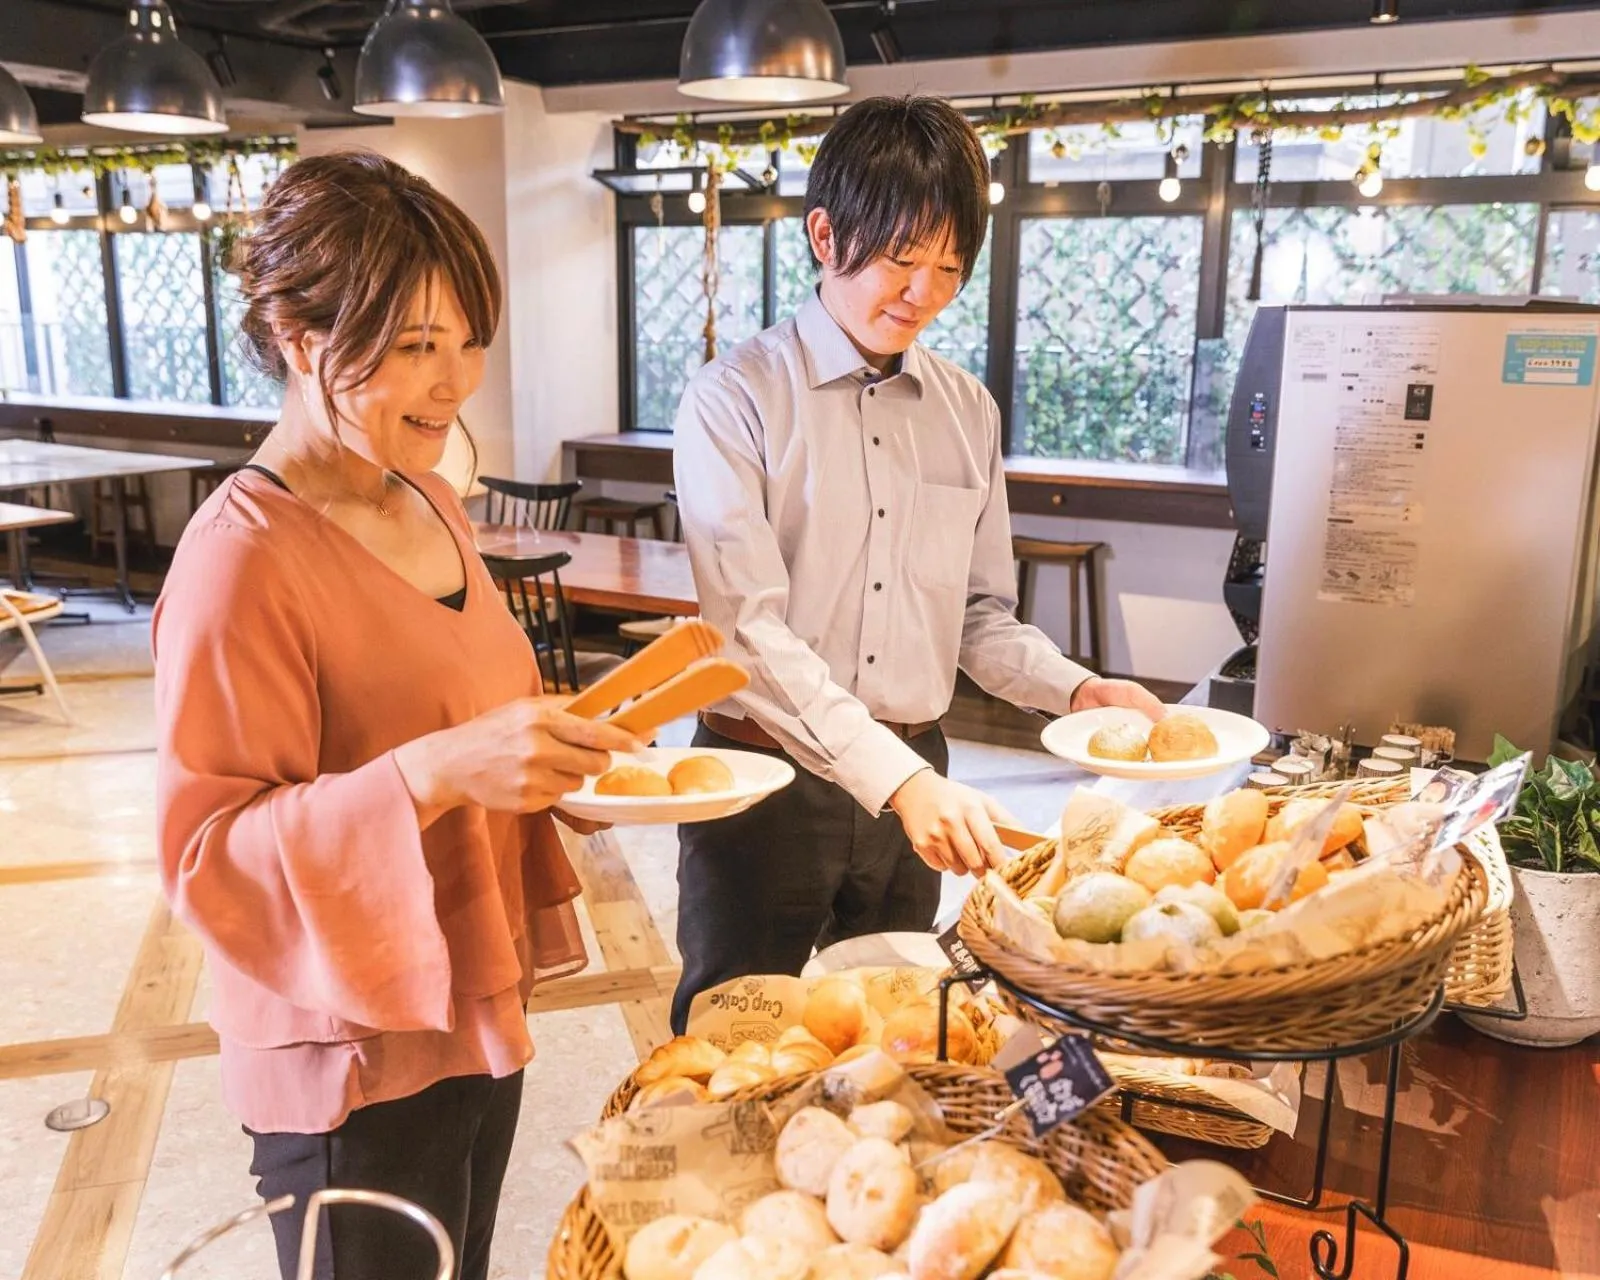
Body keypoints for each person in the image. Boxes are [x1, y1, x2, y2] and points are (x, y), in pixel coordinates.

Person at [152, 152, 639, 1280]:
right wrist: (435, 771)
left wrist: (561, 743)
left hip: (468, 998)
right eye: (416, 346)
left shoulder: (428, 498)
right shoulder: (241, 560)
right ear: (297, 336)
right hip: (350, 1053)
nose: (454, 382)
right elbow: (206, 852)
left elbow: (464, 705)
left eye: (469, 341)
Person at [670, 96, 1165, 1032]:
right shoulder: (735, 397)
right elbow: (745, 634)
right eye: (901, 259)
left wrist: (1074, 690)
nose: (924, 293)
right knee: (736, 1035)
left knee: (895, 1029)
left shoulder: (966, 409)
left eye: (950, 267)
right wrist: (895, 779)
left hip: (917, 769)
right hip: (766, 776)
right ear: (825, 235)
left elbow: (976, 615)